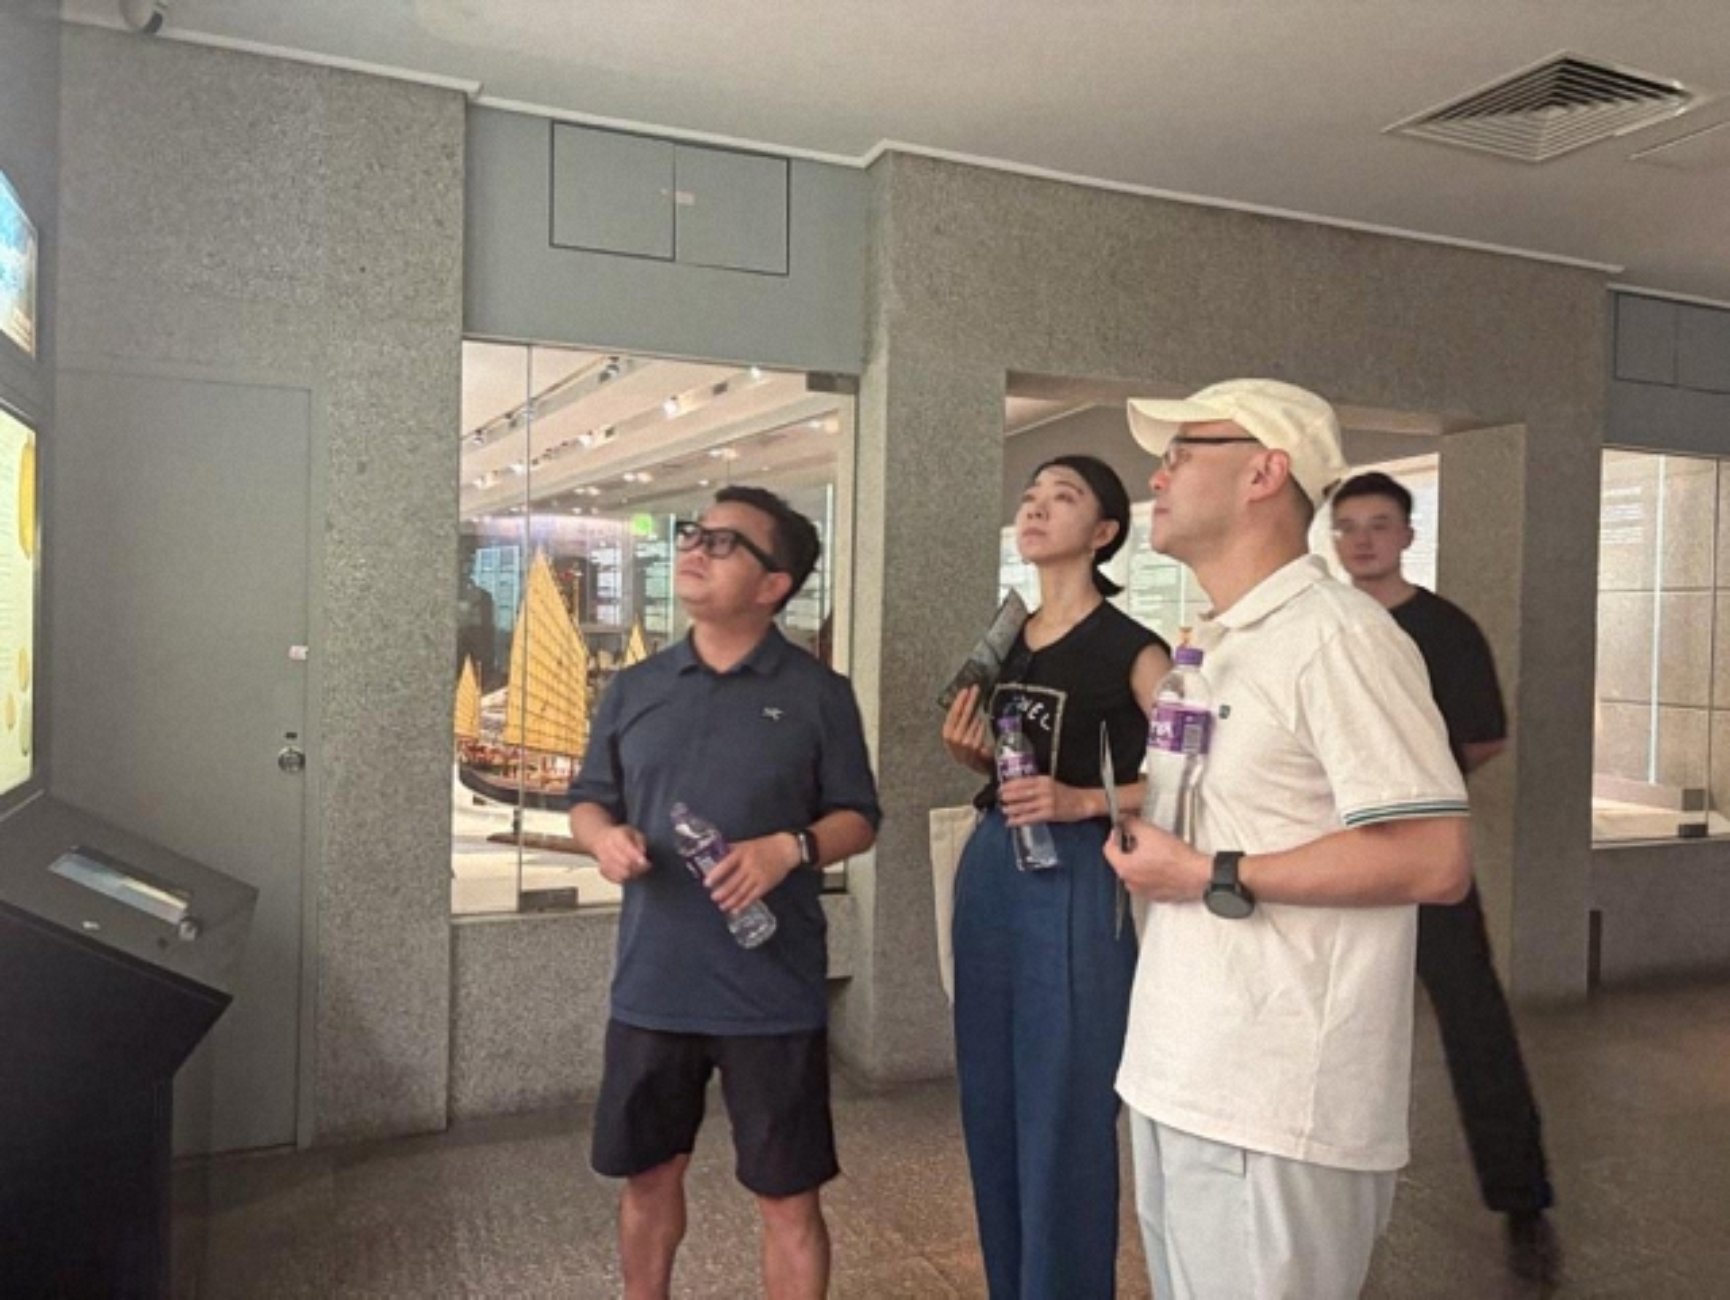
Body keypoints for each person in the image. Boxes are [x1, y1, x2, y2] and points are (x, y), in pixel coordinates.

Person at [1104, 379, 1473, 1299]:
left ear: (1264, 473)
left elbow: (1435, 858)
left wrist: (1209, 870)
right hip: (1181, 1065)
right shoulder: (1219, 641)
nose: (1158, 476)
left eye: (1182, 453)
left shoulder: (1340, 637)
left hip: (1276, 1096)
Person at [567, 486, 881, 1300]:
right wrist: (604, 838)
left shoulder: (819, 693)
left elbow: (860, 819)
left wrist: (790, 847)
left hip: (771, 989)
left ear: (774, 584)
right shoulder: (635, 687)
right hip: (654, 984)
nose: (694, 550)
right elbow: (589, 799)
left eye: (722, 542)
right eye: (693, 534)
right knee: (648, 1176)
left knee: (788, 1197)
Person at [940, 454, 1171, 1299]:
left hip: (1076, 878)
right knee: (991, 1099)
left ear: (1104, 531)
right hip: (993, 868)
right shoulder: (1006, 639)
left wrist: (1082, 801)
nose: (1035, 508)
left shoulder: (1133, 648)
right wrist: (972, 756)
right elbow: (1008, 761)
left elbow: (1195, 777)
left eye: (1062, 498)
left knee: (1066, 1106)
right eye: (1030, 496)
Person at [1330, 470, 1559, 1283]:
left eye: (1379, 524)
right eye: (1349, 525)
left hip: (1423, 851)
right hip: (1336, 853)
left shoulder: (1444, 629)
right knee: (1338, 1016)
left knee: (1471, 1014)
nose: (1363, 539)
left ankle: (1522, 1196)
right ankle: (1334, 1193)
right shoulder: (1329, 625)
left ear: (1406, 535)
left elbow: (1485, 737)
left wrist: (1413, 787)